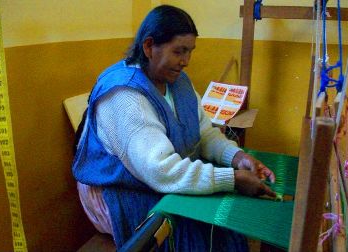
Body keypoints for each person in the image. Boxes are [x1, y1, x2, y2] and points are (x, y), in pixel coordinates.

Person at [72, 4, 276, 251]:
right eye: (179, 51)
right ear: (149, 47)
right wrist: (232, 179)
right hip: (114, 192)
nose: (186, 61)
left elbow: (204, 133)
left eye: (190, 52)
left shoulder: (177, 82)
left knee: (222, 224)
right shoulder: (124, 96)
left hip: (152, 176)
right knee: (193, 230)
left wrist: (236, 157)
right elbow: (161, 170)